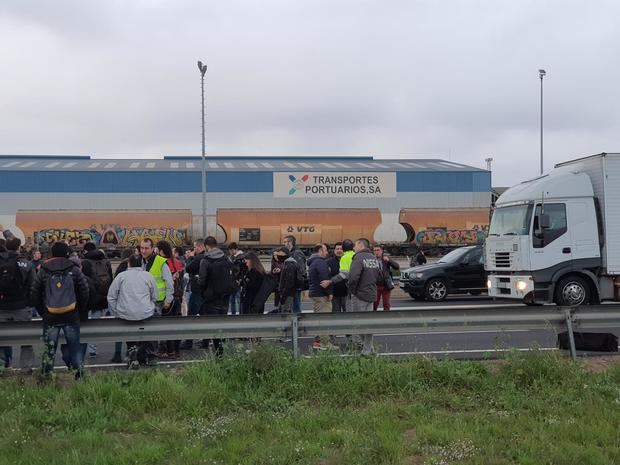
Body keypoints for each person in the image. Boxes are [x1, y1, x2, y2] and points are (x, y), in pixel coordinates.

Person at [30, 242, 90, 379]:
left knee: (49, 350)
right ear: (66, 253)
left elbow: (34, 293)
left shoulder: (43, 270)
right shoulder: (74, 269)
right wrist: (79, 310)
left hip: (50, 316)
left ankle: (46, 377)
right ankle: (79, 376)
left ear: (52, 253)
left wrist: (43, 311)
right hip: (71, 315)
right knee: (75, 348)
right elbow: (84, 291)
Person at [107, 254, 159, 369]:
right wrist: (149, 305)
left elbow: (111, 296)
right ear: (141, 264)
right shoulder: (148, 276)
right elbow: (155, 296)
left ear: (128, 264)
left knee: (129, 333)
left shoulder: (121, 276)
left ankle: (132, 355)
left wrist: (116, 311)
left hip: (125, 313)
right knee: (148, 330)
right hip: (145, 313)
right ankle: (147, 355)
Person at [0, 237, 37, 370]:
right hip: (22, 307)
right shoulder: (26, 264)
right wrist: (30, 303)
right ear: (18, 247)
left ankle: (3, 365)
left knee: (2, 338)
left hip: (2, 307)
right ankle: (26, 368)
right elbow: (33, 285)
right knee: (26, 340)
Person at [198, 236, 236, 356]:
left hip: (211, 297)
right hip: (225, 297)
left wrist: (201, 289)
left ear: (206, 246)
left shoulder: (206, 260)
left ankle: (217, 351)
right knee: (221, 322)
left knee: (212, 323)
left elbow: (202, 281)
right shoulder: (226, 259)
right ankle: (221, 346)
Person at [348, 238, 382, 355]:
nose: (353, 248)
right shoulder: (373, 258)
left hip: (360, 295)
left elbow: (353, 277)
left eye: (355, 245)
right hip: (371, 294)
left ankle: (366, 350)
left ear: (361, 245)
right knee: (368, 323)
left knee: (358, 323)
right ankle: (369, 349)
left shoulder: (358, 257)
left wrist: (352, 291)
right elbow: (379, 275)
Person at [81, 242, 113, 358]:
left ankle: (83, 349)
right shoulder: (106, 262)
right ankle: (93, 349)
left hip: (88, 299)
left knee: (84, 325)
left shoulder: (85, 262)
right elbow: (111, 280)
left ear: (85, 251)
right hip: (101, 298)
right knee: (95, 324)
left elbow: (83, 282)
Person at [156, 240, 184, 358]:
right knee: (175, 324)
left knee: (165, 325)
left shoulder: (162, 262)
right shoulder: (177, 262)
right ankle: (176, 350)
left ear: (161, 250)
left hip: (167, 298)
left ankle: (167, 350)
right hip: (178, 297)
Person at [308, 243, 335, 351]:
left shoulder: (312, 262)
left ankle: (318, 342)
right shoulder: (320, 263)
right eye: (325, 250)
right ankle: (325, 343)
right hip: (321, 294)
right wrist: (329, 292)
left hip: (315, 293)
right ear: (320, 251)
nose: (327, 252)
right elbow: (324, 279)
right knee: (324, 319)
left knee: (318, 319)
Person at [181, 239, 206, 350]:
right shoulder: (209, 257)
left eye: (195, 247)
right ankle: (205, 342)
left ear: (200, 247)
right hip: (206, 292)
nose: (194, 250)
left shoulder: (199, 258)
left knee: (191, 316)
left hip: (197, 291)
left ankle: (188, 341)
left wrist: (190, 257)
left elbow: (188, 268)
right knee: (206, 316)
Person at [139, 238, 173, 316]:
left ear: (152, 248)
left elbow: (169, 282)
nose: (143, 251)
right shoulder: (140, 261)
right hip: (143, 300)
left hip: (158, 302)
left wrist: (168, 300)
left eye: (146, 248)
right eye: (142, 248)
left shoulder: (160, 262)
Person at [283, 235, 307, 313]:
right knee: (293, 305)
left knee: (295, 306)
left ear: (290, 242)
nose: (284, 244)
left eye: (285, 242)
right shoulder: (292, 252)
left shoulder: (297, 253)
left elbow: (300, 270)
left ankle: (297, 322)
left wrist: (296, 282)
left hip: (295, 285)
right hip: (292, 284)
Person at [373, 245, 400, 312]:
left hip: (386, 285)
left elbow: (397, 267)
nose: (376, 252)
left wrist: (389, 261)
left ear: (381, 251)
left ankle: (387, 318)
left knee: (386, 303)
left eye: (378, 250)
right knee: (375, 304)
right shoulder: (372, 259)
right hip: (376, 285)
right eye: (375, 250)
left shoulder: (385, 258)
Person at [274, 246, 299, 313]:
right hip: (286, 294)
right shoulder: (287, 263)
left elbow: (289, 282)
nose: (278, 257)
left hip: (287, 295)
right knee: (283, 311)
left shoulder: (289, 264)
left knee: (285, 313)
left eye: (280, 255)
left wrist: (284, 296)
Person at [326, 242, 347, 313]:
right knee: (335, 314)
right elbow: (327, 277)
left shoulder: (348, 261)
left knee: (348, 314)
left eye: (341, 249)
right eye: (337, 249)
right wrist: (329, 292)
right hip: (334, 293)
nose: (339, 251)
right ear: (334, 251)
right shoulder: (328, 262)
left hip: (346, 293)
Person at [227, 242, 246, 315]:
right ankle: (234, 313)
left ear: (235, 249)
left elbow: (239, 270)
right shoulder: (232, 257)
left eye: (231, 250)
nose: (230, 252)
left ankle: (240, 314)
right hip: (233, 282)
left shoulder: (240, 257)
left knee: (238, 299)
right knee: (233, 299)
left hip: (237, 281)